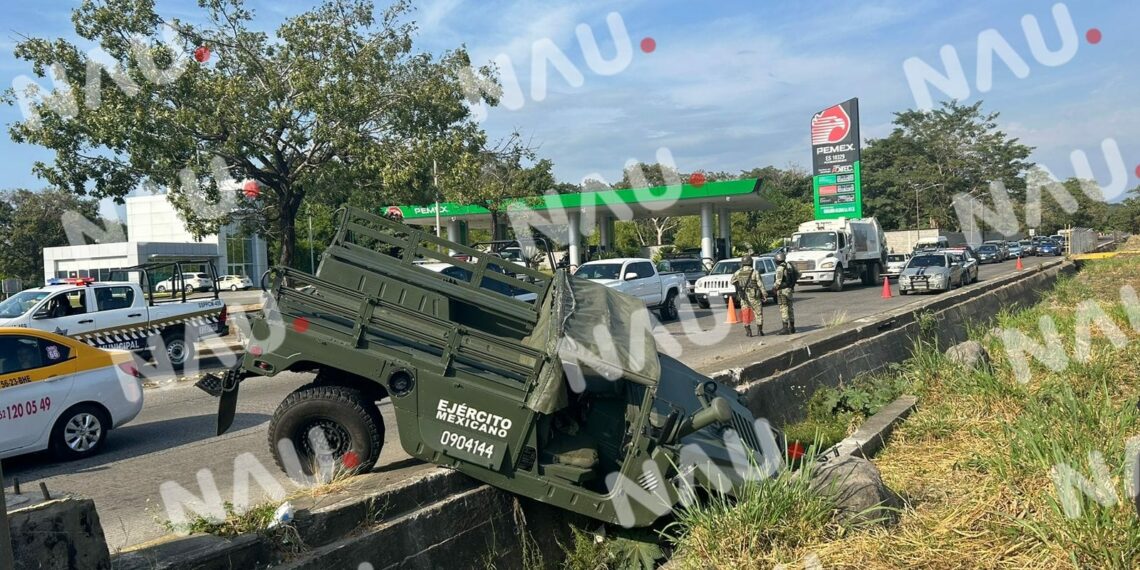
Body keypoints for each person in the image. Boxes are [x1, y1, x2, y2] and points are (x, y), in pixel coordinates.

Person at [729, 255, 767, 337]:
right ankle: (759, 331)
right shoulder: (754, 272)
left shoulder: (738, 272)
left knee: (745, 313)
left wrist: (739, 287)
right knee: (758, 313)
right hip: (754, 295)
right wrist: (764, 294)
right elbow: (760, 284)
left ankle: (748, 332)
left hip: (744, 295)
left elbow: (732, 281)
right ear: (751, 262)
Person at [774, 252, 796, 334]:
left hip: (782, 290)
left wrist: (774, 288)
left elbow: (778, 281)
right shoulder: (789, 265)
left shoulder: (780, 268)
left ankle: (785, 328)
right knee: (790, 308)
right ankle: (792, 327)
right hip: (789, 289)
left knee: (783, 308)